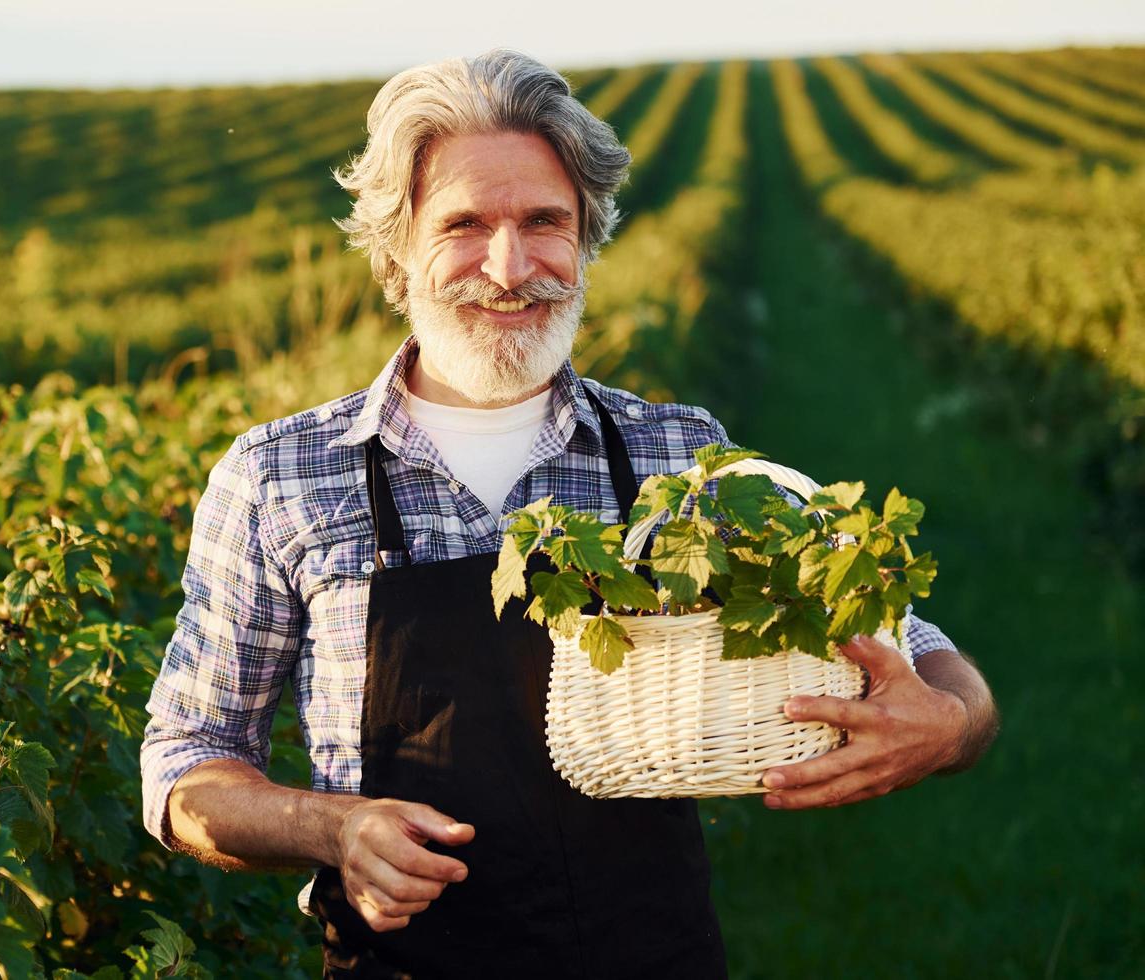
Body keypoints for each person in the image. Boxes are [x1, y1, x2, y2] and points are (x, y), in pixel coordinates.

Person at [141, 49, 998, 978]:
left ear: (586, 236)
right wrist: (331, 826)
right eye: (464, 225)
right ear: (397, 251)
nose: (509, 269)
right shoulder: (284, 476)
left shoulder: (676, 454)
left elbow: (909, 641)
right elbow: (189, 758)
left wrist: (952, 722)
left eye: (544, 222)